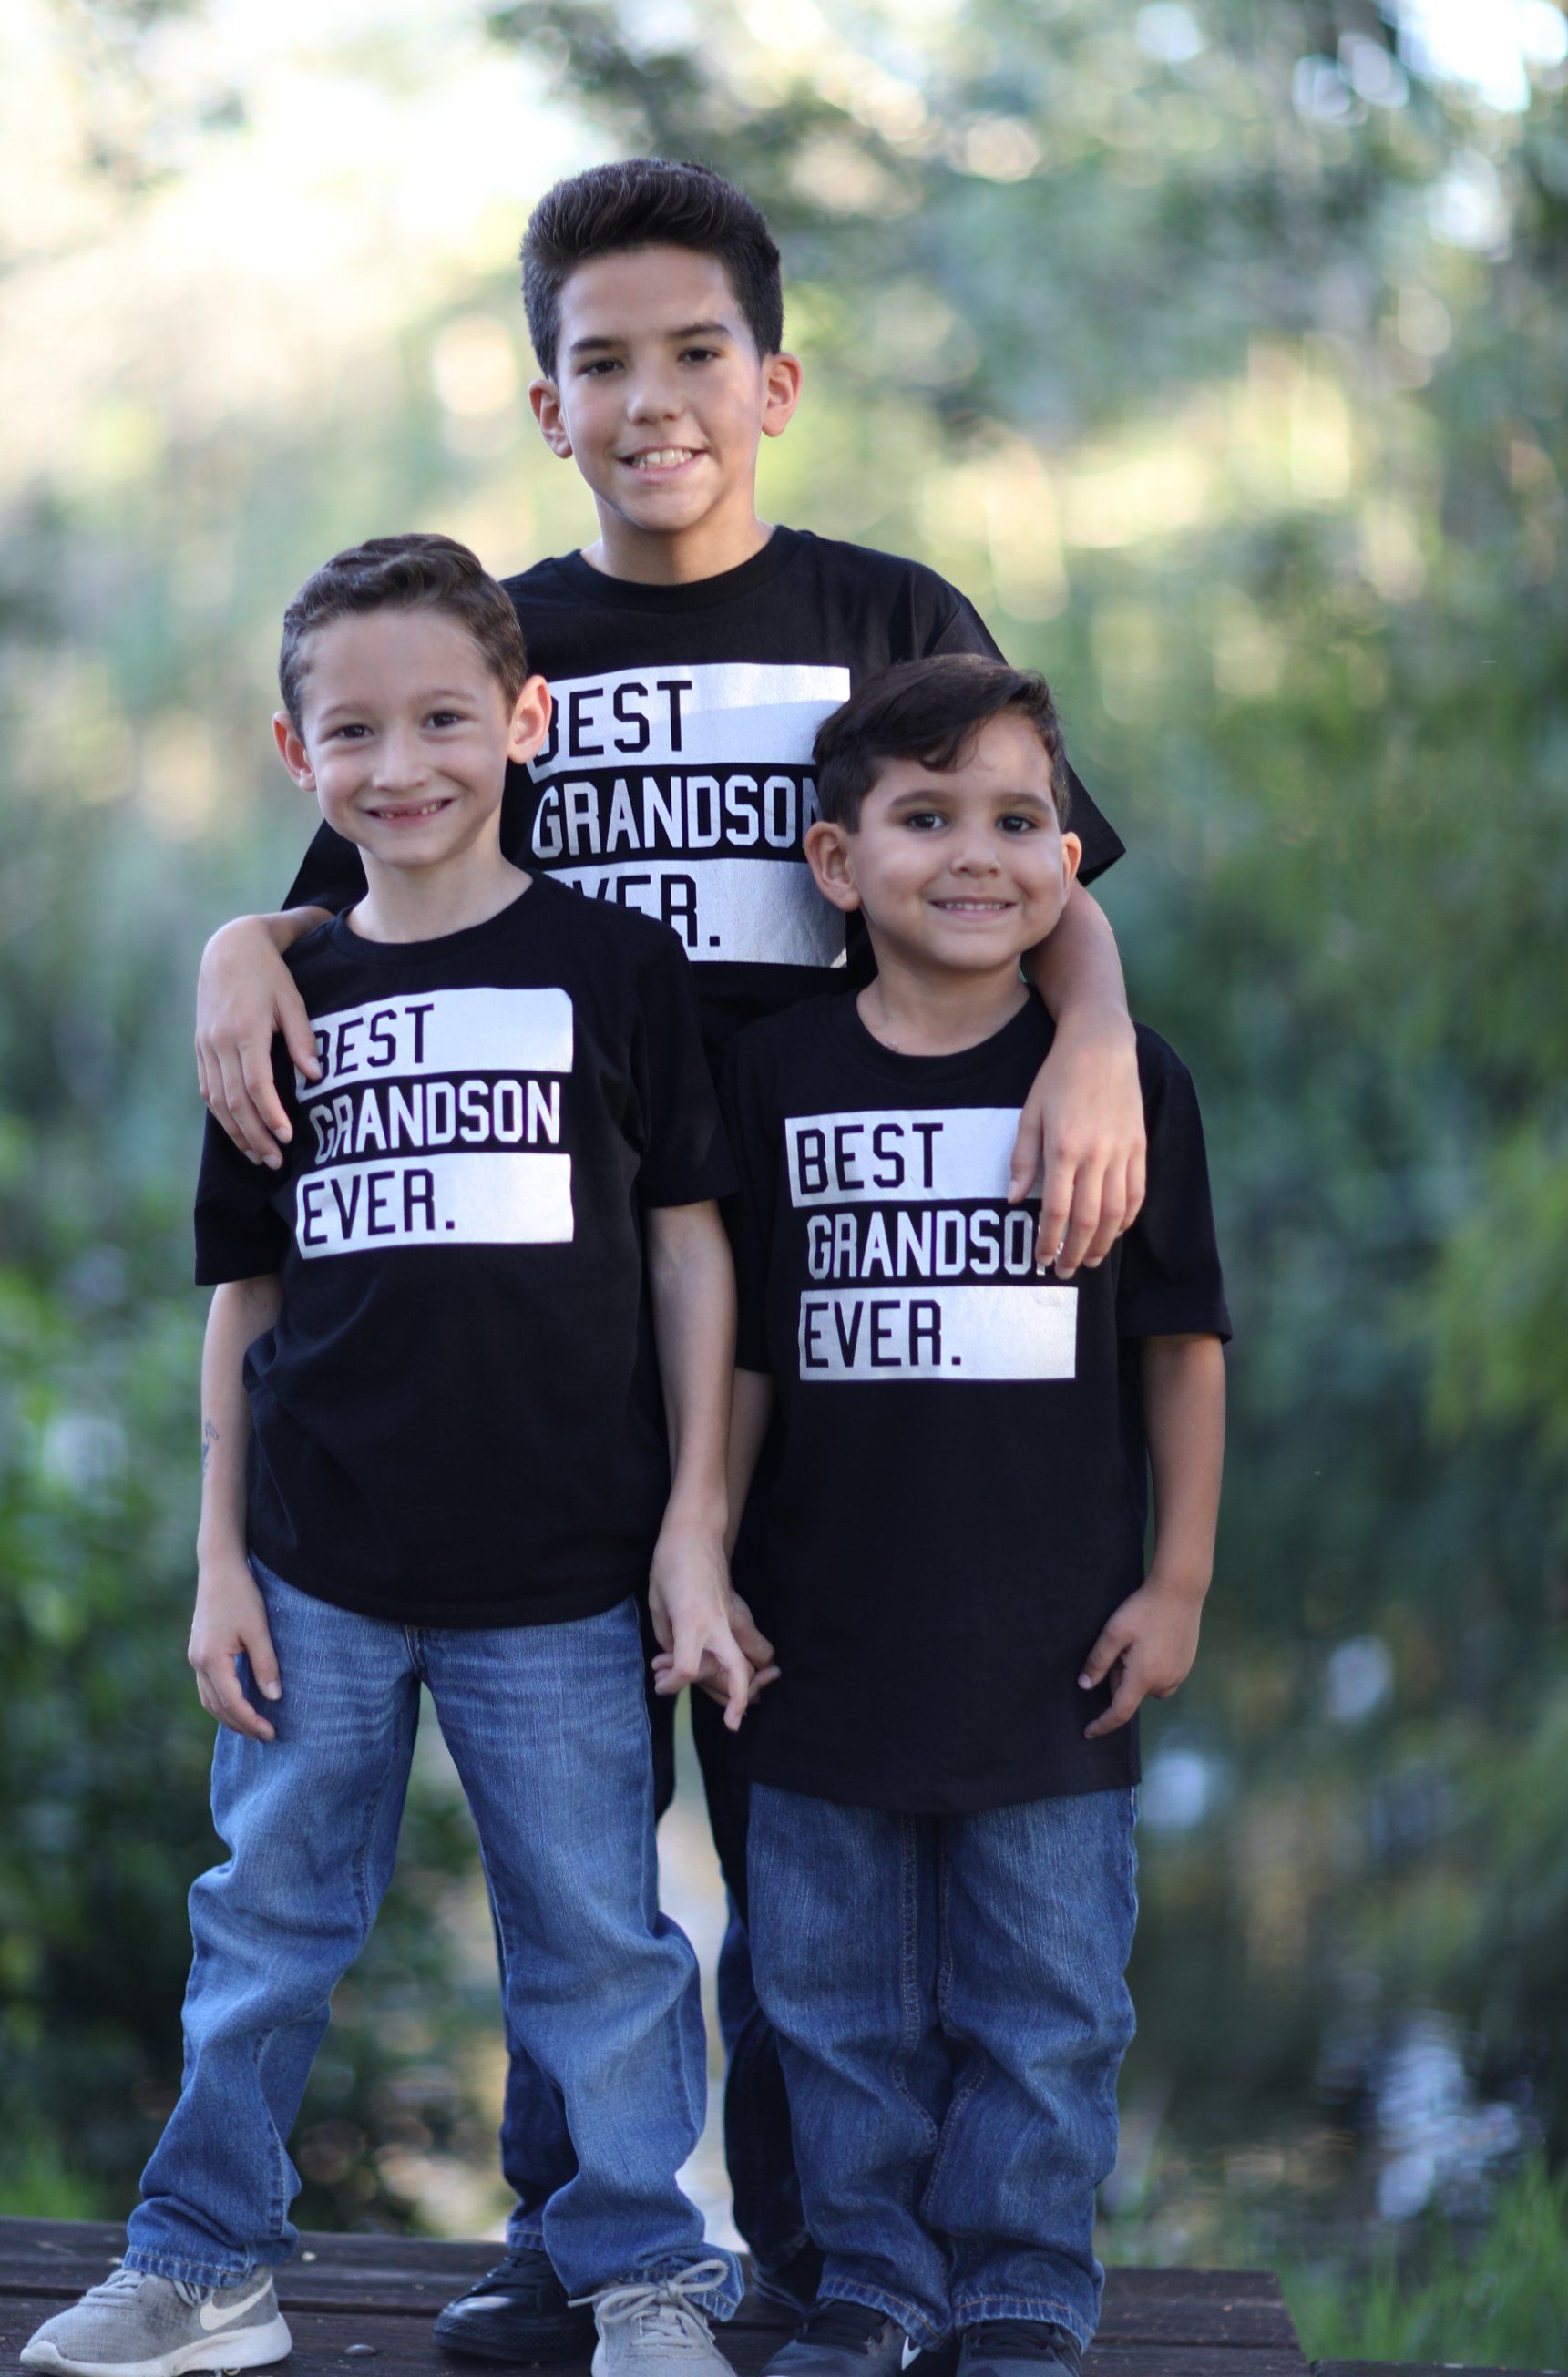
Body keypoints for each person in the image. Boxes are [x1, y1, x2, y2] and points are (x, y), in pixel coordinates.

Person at [190, 159, 1151, 2353]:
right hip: (566, 1336)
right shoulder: (499, 654)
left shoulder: (883, 613)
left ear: (774, 377)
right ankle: (584, 2239)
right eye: (600, 362)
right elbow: (353, 894)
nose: (653, 400)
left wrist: (1094, 1034)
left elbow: (1031, 852)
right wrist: (236, 939)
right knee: (582, 1835)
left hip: (858, 1309)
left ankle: (848, 2271)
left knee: (822, 1814)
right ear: (544, 404)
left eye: (692, 352)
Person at [22, 534, 757, 2377]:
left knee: (600, 1945)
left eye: (443, 717)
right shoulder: (282, 999)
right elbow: (243, 1304)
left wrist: (692, 1525)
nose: (400, 763)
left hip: (566, 1570)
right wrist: (217, 1562)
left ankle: (640, 2275)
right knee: (264, 1926)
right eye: (352, 730)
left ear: (523, 721)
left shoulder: (617, 965)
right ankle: (203, 2267)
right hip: (318, 1567)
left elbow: (689, 1250)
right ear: (298, 757)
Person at [721, 656, 1230, 2377]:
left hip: (1050, 1639)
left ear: (1070, 859)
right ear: (835, 862)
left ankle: (1019, 2284)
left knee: (1050, 2005)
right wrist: (701, 1549)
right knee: (831, 2006)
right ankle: (870, 2280)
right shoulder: (774, 1077)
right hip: (821, 1633)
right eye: (926, 817)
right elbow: (746, 1353)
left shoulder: (1122, 1079)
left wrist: (1177, 1581)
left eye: (1021, 821)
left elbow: (1182, 1344)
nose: (978, 854)